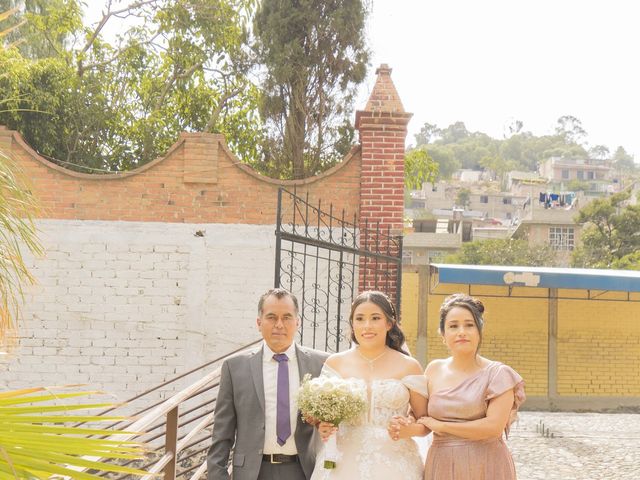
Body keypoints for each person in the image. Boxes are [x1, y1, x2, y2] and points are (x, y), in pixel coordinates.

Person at [391, 293, 525, 480]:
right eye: (453, 326)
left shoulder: (498, 374)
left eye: (469, 325)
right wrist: (407, 425)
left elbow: (493, 427)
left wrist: (442, 426)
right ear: (443, 335)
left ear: (479, 331)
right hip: (442, 463)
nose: (461, 331)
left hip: (486, 463)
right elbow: (422, 417)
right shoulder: (433, 369)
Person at [207, 288, 329, 480]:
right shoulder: (234, 367)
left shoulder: (321, 364)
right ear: (259, 322)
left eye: (287, 317)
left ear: (297, 322)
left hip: (304, 471)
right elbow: (222, 434)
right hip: (252, 473)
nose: (279, 324)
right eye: (271, 317)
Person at [311, 290, 428, 480]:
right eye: (360, 319)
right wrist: (322, 425)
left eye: (375, 318)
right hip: (342, 462)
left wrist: (410, 428)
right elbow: (321, 416)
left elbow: (424, 421)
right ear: (352, 324)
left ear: (389, 323)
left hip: (395, 463)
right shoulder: (335, 363)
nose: (367, 326)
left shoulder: (409, 366)